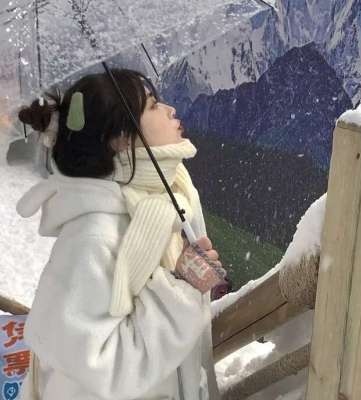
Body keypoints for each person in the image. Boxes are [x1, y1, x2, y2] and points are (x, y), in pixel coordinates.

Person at [16, 68, 226, 400]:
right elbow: (104, 369)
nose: (170, 110)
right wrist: (181, 288)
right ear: (121, 139)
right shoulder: (92, 239)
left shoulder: (158, 202)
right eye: (153, 105)